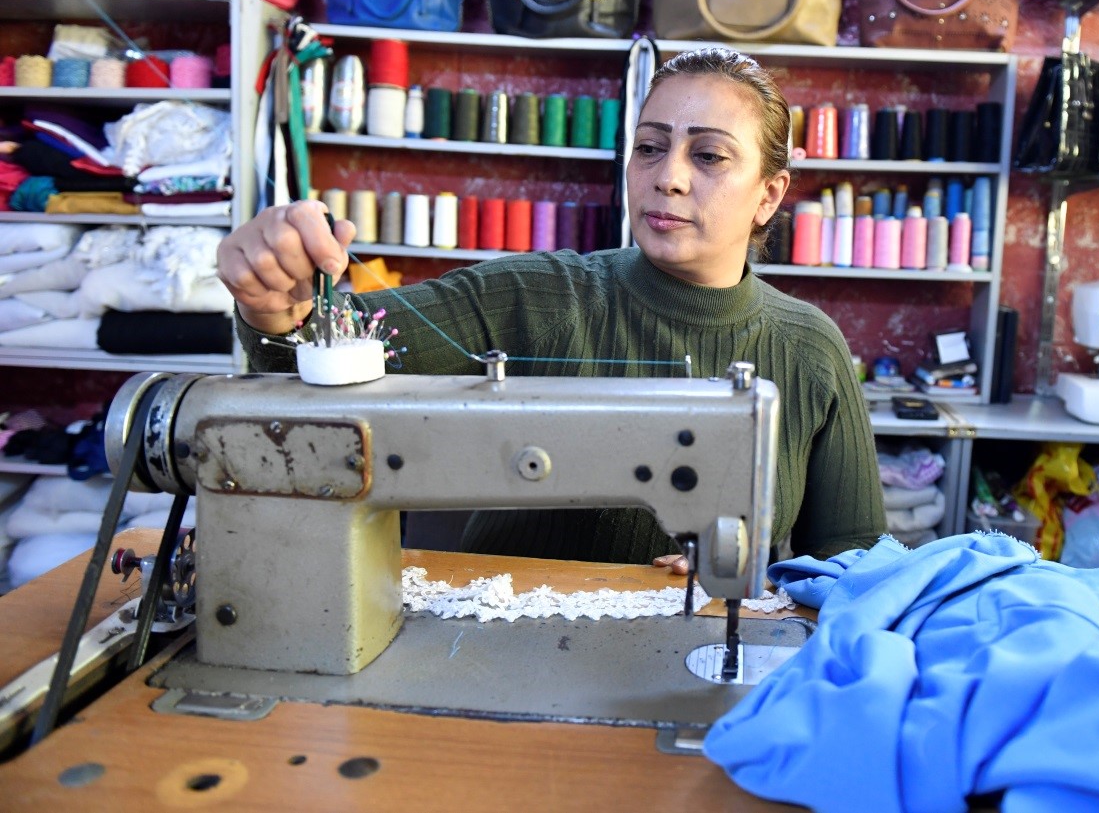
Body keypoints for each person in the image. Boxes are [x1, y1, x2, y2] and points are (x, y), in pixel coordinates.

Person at [217, 46, 886, 570]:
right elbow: (324, 357)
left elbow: (853, 569)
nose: (668, 175)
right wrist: (276, 301)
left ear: (768, 195)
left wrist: (757, 583)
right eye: (649, 147)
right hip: (500, 657)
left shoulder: (808, 350)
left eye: (707, 155)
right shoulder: (537, 297)